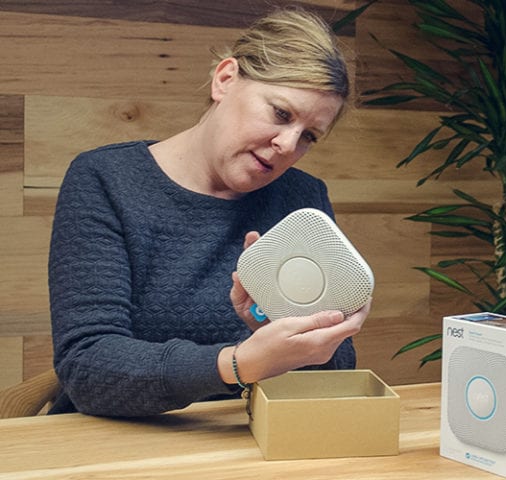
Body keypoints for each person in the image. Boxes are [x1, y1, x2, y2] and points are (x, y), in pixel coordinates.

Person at [47, 7, 370, 417]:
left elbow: (337, 375)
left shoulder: (303, 199)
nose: (288, 146)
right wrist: (238, 363)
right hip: (115, 442)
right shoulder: (106, 179)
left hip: (247, 442)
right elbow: (88, 366)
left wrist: (304, 334)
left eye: (308, 136)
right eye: (281, 114)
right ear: (225, 80)